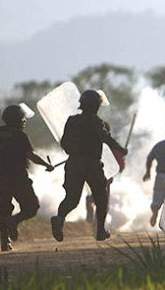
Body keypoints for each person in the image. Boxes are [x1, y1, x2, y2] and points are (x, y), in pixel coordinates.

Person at [51, 90, 128, 242]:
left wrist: (74, 152)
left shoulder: (72, 121)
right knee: (101, 198)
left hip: (73, 163)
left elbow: (64, 142)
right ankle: (100, 231)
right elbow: (106, 138)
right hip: (92, 164)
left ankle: (60, 218)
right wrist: (121, 149)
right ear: (96, 106)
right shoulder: (96, 122)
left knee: (72, 199)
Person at [0, 104, 54, 251]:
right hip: (19, 178)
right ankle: (14, 221)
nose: (24, 121)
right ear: (19, 120)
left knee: (4, 209)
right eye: (23, 118)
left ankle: (4, 242)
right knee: (32, 207)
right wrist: (47, 165)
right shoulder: (20, 136)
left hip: (1, 177)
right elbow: (30, 155)